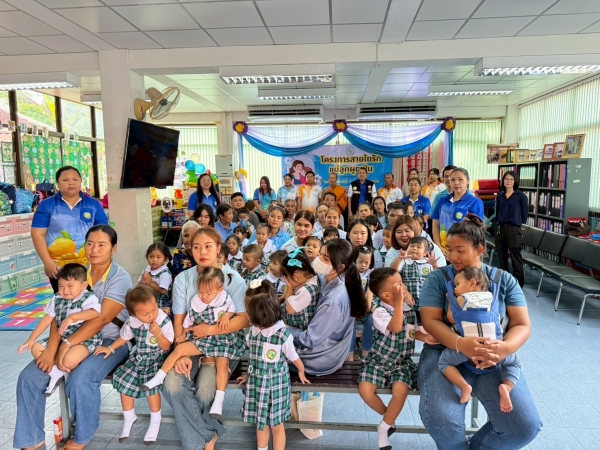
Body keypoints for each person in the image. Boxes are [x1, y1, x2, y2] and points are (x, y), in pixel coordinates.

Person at [418, 214, 541, 449]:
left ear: (480, 249)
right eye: (449, 250)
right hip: (446, 353)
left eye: (460, 250)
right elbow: (431, 320)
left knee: (524, 427)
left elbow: (521, 324)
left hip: (492, 355)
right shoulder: (438, 279)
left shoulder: (504, 280)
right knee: (441, 420)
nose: (452, 256)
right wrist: (460, 344)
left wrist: (505, 348)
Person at [15, 225, 133, 450]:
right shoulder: (75, 274)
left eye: (101, 245)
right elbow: (56, 314)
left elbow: (101, 319)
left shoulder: (120, 278)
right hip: (67, 339)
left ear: (113, 248)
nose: (94, 249)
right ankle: (32, 440)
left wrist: (66, 344)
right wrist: (52, 349)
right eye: (90, 244)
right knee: (29, 377)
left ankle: (82, 436)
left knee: (81, 379)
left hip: (111, 342)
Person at [163, 227, 248, 450]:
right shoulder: (183, 279)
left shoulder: (234, 279)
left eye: (208, 246)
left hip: (223, 345)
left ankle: (198, 439)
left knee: (205, 392)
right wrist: (180, 351)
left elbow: (243, 320)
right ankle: (207, 435)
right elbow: (179, 320)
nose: (202, 252)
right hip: (190, 343)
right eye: (196, 247)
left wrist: (209, 330)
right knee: (172, 385)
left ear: (219, 248)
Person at [143, 267, 245, 419]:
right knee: (180, 350)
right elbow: (188, 320)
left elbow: (232, 309)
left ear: (220, 290)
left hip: (222, 339)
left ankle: (219, 399)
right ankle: (158, 377)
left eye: (208, 293)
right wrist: (184, 334)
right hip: (202, 338)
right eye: (201, 291)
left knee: (222, 363)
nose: (203, 296)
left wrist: (226, 317)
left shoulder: (224, 298)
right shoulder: (196, 301)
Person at [95, 285, 174, 444]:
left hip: (157, 359)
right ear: (133, 314)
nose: (151, 315)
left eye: (154, 309)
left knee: (150, 386)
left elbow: (166, 346)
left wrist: (158, 333)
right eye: (145, 314)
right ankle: (129, 416)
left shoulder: (162, 320)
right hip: (139, 358)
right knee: (124, 381)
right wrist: (111, 348)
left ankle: (155, 420)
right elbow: (124, 338)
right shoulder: (132, 322)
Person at [358, 267, 426, 450]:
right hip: (378, 360)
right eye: (398, 285)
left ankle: (383, 427)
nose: (403, 287)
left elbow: (411, 331)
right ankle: (389, 418)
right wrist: (399, 303)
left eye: (401, 283)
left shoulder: (409, 309)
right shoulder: (380, 312)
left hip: (400, 362)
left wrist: (425, 337)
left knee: (401, 391)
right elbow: (395, 327)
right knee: (365, 390)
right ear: (386, 295)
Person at [438, 267, 521, 412]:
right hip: (494, 350)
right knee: (515, 363)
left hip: (469, 350)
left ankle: (464, 386)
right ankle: (506, 386)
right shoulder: (491, 298)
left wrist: (450, 301)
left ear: (472, 283)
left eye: (457, 284)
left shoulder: (462, 299)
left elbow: (451, 317)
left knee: (444, 362)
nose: (455, 289)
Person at [238, 280, 309, 450]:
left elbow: (293, 357)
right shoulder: (253, 331)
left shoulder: (281, 334)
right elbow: (253, 357)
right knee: (260, 424)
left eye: (248, 311)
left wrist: (301, 370)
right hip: (257, 386)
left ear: (259, 314)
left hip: (276, 388)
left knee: (277, 426)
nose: (246, 314)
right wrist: (248, 374)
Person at [18, 263, 102, 396]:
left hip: (84, 340)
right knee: (35, 348)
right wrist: (31, 339)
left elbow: (95, 312)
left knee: (68, 360)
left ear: (84, 285)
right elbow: (47, 319)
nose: (65, 291)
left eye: (70, 286)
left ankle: (65, 371)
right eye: (61, 286)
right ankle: (56, 373)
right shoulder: (57, 298)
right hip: (63, 338)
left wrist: (73, 317)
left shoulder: (88, 297)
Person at [288, 238, 369, 375]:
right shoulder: (331, 277)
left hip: (321, 358)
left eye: (325, 258)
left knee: (270, 345)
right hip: (332, 349)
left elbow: (309, 339)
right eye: (320, 254)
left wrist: (286, 329)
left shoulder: (334, 300)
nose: (318, 260)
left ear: (340, 267)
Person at [32, 165, 108, 293]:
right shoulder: (46, 205)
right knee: (64, 299)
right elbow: (37, 235)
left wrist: (103, 259)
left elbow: (104, 232)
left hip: (90, 264)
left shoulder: (93, 204)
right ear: (58, 183)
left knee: (93, 300)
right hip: (58, 267)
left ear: (80, 181)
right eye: (65, 180)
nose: (71, 183)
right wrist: (47, 262)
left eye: (75, 179)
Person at [431, 168, 484, 255]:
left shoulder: (475, 202)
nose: (456, 183)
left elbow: (477, 230)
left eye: (460, 179)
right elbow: (436, 224)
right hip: (443, 249)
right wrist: (439, 247)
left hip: (463, 250)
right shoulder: (442, 200)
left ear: (468, 181)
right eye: (453, 180)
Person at [495, 171, 528, 287]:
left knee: (515, 257)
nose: (508, 181)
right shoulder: (500, 196)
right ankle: (505, 282)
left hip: (514, 229)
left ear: (515, 181)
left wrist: (519, 227)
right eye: (506, 179)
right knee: (502, 257)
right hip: (501, 228)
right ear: (503, 181)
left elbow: (524, 214)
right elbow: (498, 213)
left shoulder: (521, 196)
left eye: (511, 179)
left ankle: (518, 284)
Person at [280, 248, 320, 330]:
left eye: (286, 278)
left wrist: (289, 288)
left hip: (297, 331)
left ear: (297, 277)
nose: (286, 281)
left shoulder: (306, 291)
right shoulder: (314, 278)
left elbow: (290, 309)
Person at [139, 243, 173, 314]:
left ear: (165, 259)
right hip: (148, 301)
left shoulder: (165, 273)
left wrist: (150, 283)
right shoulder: (147, 269)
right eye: (151, 257)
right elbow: (140, 284)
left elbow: (163, 291)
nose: (154, 260)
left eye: (158, 257)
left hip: (161, 305)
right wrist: (143, 282)